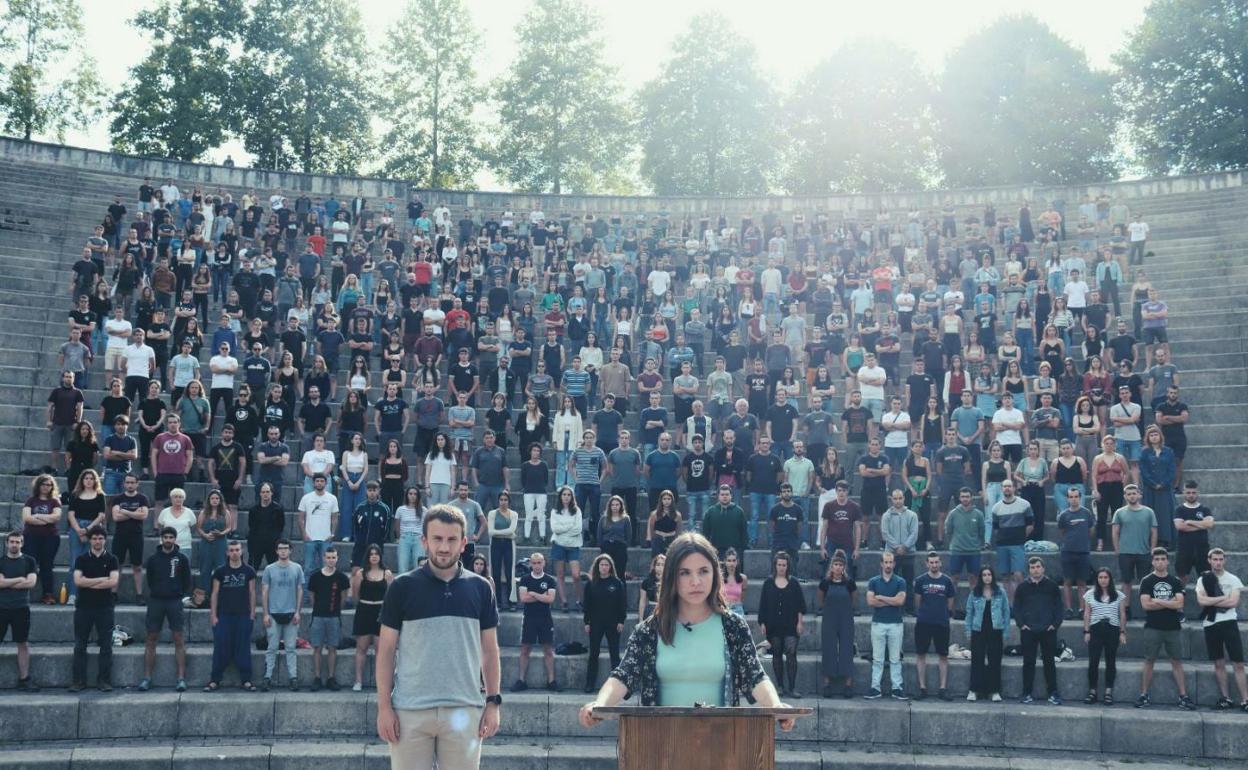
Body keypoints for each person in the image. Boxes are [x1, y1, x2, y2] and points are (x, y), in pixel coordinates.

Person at [579, 533, 792, 728]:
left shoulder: (733, 627)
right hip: (661, 747)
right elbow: (623, 676)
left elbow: (755, 676)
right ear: (672, 576)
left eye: (703, 571)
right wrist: (599, 705)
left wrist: (777, 706)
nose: (696, 581)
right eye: (685, 573)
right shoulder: (649, 630)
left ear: (715, 574)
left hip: (721, 744)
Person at [375, 505, 501, 768]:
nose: (444, 547)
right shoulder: (401, 587)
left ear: (464, 543)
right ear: (424, 541)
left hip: (464, 709)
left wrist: (493, 702)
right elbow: (386, 651)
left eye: (452, 539)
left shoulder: (481, 588)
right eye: (437, 539)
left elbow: (490, 651)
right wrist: (384, 707)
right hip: (410, 710)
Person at [1136, 548, 1196, 710]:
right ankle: (1144, 695)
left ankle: (1183, 696)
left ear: (1167, 561)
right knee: (1149, 661)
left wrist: (1158, 601)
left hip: (1172, 628)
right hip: (1153, 627)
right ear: (1153, 562)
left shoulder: (1175, 581)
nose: (1160, 562)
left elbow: (1180, 604)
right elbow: (1146, 605)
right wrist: (1169, 602)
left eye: (1163, 559)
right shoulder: (1147, 581)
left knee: (1176, 661)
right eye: (1157, 559)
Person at [137, 526, 191, 693]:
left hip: (175, 601)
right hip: (156, 601)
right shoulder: (153, 559)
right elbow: (150, 581)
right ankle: (147, 678)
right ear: (161, 539)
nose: (168, 540)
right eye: (165, 537)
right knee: (151, 638)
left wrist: (179, 594)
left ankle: (181, 678)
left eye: (171, 537)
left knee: (178, 639)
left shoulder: (182, 559)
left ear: (175, 539)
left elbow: (187, 580)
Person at [1196, 548, 1248, 711]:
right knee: (1218, 663)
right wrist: (1222, 598)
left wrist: (1212, 601)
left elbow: (1233, 603)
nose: (1218, 562)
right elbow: (1201, 602)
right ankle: (1226, 698)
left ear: (1224, 560)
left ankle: (1246, 699)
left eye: (1220, 559)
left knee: (1238, 663)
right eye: (1215, 559)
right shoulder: (1202, 579)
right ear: (1209, 560)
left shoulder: (1233, 579)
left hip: (1229, 622)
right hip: (1210, 624)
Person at [70, 526, 119, 692]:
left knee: (106, 646)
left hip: (105, 608)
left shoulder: (112, 559)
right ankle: (78, 681)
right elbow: (78, 581)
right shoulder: (81, 558)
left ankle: (104, 681)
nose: (97, 541)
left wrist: (88, 582)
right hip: (83, 607)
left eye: (100, 538)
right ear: (90, 540)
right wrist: (100, 580)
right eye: (94, 538)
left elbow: (113, 583)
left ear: (105, 540)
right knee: (79, 645)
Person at [207, 539, 257, 692]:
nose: (234, 553)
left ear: (241, 552)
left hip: (243, 615)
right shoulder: (220, 572)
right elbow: (214, 594)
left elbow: (252, 592)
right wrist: (213, 615)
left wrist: (253, 614)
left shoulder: (249, 571)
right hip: (224, 615)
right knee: (221, 647)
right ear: (227, 553)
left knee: (243, 648)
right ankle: (215, 680)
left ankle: (246, 679)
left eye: (237, 550)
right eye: (232, 550)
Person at [1014, 557, 1063, 705]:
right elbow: (1017, 608)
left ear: (1043, 568)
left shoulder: (1052, 586)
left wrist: (1054, 625)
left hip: (1048, 630)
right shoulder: (1022, 587)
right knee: (1028, 662)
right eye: (1032, 567)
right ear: (1029, 570)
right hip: (1028, 630)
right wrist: (1021, 624)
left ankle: (1053, 693)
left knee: (1049, 662)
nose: (1035, 570)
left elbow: (1059, 608)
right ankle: (1026, 693)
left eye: (1038, 567)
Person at [758, 551, 807, 698]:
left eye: (784, 565)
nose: (781, 567)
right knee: (777, 655)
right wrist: (762, 623)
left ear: (788, 566)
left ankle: (792, 688)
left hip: (791, 625)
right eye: (779, 564)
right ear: (775, 565)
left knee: (791, 654)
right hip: (773, 625)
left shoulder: (794, 583)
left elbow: (801, 606)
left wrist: (800, 622)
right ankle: (779, 686)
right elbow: (763, 605)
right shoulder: (768, 583)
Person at [513, 551, 559, 692]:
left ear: (544, 563)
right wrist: (541, 596)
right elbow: (523, 598)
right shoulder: (525, 579)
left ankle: (551, 681)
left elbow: (550, 599)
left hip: (545, 619)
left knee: (548, 650)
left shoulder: (550, 580)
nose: (537, 565)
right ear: (531, 564)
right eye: (534, 563)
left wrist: (533, 594)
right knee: (525, 650)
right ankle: (521, 680)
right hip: (529, 618)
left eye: (539, 562)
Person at [261, 540, 304, 691]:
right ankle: (267, 677)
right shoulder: (269, 569)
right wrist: (265, 613)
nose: (283, 551)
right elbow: (265, 591)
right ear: (276, 551)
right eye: (280, 549)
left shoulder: (297, 568)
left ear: (290, 550)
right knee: (271, 647)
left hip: (291, 613)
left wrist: (298, 611)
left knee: (291, 648)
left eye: (286, 548)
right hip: (273, 613)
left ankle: (293, 677)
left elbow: (299, 590)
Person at [913, 552, 956, 700]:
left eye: (936, 562)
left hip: (941, 623)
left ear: (940, 563)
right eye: (931, 562)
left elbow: (950, 601)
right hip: (923, 622)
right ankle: (922, 688)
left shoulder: (947, 581)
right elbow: (917, 601)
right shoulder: (920, 580)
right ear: (926, 564)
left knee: (943, 656)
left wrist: (945, 614)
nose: (934, 565)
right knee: (920, 655)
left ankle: (943, 688)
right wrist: (923, 614)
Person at [865, 551, 908, 700]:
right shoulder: (873, 581)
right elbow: (871, 602)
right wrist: (892, 600)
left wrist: (882, 598)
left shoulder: (901, 581)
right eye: (886, 562)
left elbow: (900, 602)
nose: (888, 565)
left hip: (895, 624)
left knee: (895, 659)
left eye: (891, 562)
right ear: (881, 564)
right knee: (877, 659)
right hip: (878, 624)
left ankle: (897, 687)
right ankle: (875, 688)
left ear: (894, 564)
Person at [306, 546, 350, 691]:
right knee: (317, 648)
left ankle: (331, 677)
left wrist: (337, 610)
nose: (331, 560)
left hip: (334, 617)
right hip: (318, 616)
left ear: (337, 559)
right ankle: (317, 678)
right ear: (324, 558)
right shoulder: (315, 577)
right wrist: (318, 608)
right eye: (328, 557)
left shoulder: (342, 577)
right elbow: (312, 596)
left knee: (332, 647)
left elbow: (343, 597)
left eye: (333, 557)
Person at [582, 553, 627, 693]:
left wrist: (621, 620)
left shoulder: (617, 583)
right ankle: (590, 683)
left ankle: (617, 686)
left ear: (610, 567)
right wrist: (586, 622)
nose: (604, 567)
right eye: (601, 565)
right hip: (595, 623)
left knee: (614, 654)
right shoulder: (591, 584)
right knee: (593, 653)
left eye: (606, 565)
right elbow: (587, 605)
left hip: (613, 623)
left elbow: (622, 604)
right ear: (597, 566)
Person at [352, 544, 395, 692]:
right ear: (368, 557)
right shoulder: (360, 574)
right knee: (361, 648)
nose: (374, 556)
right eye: (371, 554)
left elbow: (391, 596)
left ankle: (380, 682)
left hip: (380, 612)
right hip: (364, 610)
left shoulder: (387, 574)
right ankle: (358, 681)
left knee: (380, 650)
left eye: (377, 554)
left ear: (380, 556)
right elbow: (356, 594)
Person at [0, 531, 39, 691]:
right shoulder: (1, 561)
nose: (14, 544)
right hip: (1, 607)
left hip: (21, 608)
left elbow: (31, 583)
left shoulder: (29, 561)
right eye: (12, 542)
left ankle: (24, 679)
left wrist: (7, 582)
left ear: (22, 543)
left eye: (18, 542)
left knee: (22, 643)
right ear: (6, 543)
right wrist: (18, 580)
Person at [1083, 567, 1127, 705]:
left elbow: (1122, 614)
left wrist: (1122, 632)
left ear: (1110, 579)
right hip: (1096, 629)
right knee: (1093, 661)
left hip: (1112, 629)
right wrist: (1086, 631)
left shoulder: (1119, 595)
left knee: (1110, 661)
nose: (1103, 580)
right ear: (1097, 579)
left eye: (1105, 577)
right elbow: (1087, 613)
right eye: (1100, 577)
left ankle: (1108, 692)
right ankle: (1092, 691)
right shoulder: (1090, 594)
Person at [965, 565, 1009, 702]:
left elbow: (1006, 612)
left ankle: (994, 691)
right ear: (981, 577)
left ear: (993, 576)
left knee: (994, 661)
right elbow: (969, 612)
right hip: (978, 630)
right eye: (984, 575)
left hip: (995, 630)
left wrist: (1005, 631)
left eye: (989, 574)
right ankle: (974, 690)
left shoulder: (1000, 592)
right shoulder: (975, 592)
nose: (987, 577)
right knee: (977, 660)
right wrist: (968, 630)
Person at [1112, 484, 1157, 612]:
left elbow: (1154, 531)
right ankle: (1126, 607)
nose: (1132, 496)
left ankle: (1147, 607)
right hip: (1125, 552)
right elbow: (1115, 531)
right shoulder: (1119, 512)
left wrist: (1152, 549)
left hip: (1144, 552)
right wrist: (1117, 549)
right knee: (1126, 581)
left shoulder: (1149, 512)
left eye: (1134, 493)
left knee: (1146, 581)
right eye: (1129, 494)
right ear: (1125, 496)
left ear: (1139, 495)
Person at [817, 551, 856, 698]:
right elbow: (821, 599)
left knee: (847, 648)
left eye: (840, 565)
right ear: (831, 567)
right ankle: (827, 684)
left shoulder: (849, 583)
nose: (838, 567)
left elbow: (854, 599)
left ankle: (848, 685)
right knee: (829, 648)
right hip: (829, 618)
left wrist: (847, 611)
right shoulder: (825, 583)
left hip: (846, 618)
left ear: (844, 567)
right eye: (835, 564)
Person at [988, 479, 1033, 601]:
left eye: (1009, 486)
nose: (1007, 488)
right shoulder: (996, 508)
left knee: (1018, 575)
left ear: (1014, 488)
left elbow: (1030, 525)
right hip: (1002, 545)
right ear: (1002, 489)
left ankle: (1020, 601)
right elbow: (996, 528)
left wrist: (1021, 537)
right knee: (1005, 576)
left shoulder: (1024, 504)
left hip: (1017, 544)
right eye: (1005, 486)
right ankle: (1010, 604)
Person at [1056, 486, 1095, 619]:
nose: (1073, 499)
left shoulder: (1087, 513)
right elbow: (1062, 532)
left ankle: (1081, 609)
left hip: (1083, 552)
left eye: (1076, 497)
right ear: (1067, 499)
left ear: (1080, 497)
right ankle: (1068, 609)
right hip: (1067, 552)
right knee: (1067, 582)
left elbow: (1090, 531)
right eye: (1071, 497)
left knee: (1082, 582)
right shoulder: (1063, 515)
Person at [298, 473, 339, 584]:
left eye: (322, 481)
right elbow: (300, 518)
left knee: (326, 569)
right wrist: (304, 534)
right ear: (313, 483)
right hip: (310, 538)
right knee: (307, 570)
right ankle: (306, 600)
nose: (319, 483)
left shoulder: (332, 498)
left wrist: (332, 534)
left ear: (326, 483)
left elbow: (334, 518)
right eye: (317, 481)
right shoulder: (306, 498)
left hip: (325, 539)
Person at [818, 482, 862, 579]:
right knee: (828, 567)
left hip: (848, 542)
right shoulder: (828, 506)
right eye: (839, 490)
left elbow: (858, 528)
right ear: (836, 491)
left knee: (849, 569)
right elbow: (824, 527)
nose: (841, 493)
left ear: (848, 491)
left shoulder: (855, 507)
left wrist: (857, 549)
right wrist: (822, 548)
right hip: (831, 542)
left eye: (844, 491)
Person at [944, 488, 986, 588]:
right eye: (963, 497)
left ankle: (974, 603)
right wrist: (955, 543)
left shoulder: (979, 514)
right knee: (954, 579)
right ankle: (951, 603)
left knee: (974, 580)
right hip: (957, 551)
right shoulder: (953, 514)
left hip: (974, 551)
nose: (965, 499)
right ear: (959, 498)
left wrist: (977, 544)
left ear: (971, 498)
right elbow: (948, 531)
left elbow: (982, 532)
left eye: (967, 496)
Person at [1174, 480, 1214, 584]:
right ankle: (1180, 599)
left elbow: (1209, 524)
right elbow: (1180, 526)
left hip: (1202, 549)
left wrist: (1190, 522)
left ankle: (1206, 600)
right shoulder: (1179, 510)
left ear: (1198, 493)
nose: (1191, 495)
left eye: (1193, 492)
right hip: (1184, 548)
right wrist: (1201, 525)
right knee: (1181, 578)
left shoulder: (1205, 509)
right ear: (1184, 493)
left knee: (1206, 578)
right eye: (1188, 492)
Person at [487, 492, 520, 612]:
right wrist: (509, 534)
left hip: (508, 545)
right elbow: (490, 532)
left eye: (505, 499)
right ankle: (498, 602)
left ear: (509, 501)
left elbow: (512, 529)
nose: (503, 502)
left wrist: (499, 532)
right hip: (495, 544)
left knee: (509, 573)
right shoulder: (492, 513)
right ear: (498, 501)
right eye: (501, 499)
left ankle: (512, 602)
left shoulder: (514, 514)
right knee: (495, 572)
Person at [702, 484, 748, 558]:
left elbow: (744, 533)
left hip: (735, 552)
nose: (725, 496)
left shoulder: (739, 512)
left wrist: (741, 550)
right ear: (718, 496)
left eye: (727, 494)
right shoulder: (710, 512)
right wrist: (709, 548)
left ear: (731, 496)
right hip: (716, 551)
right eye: (722, 494)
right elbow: (705, 533)